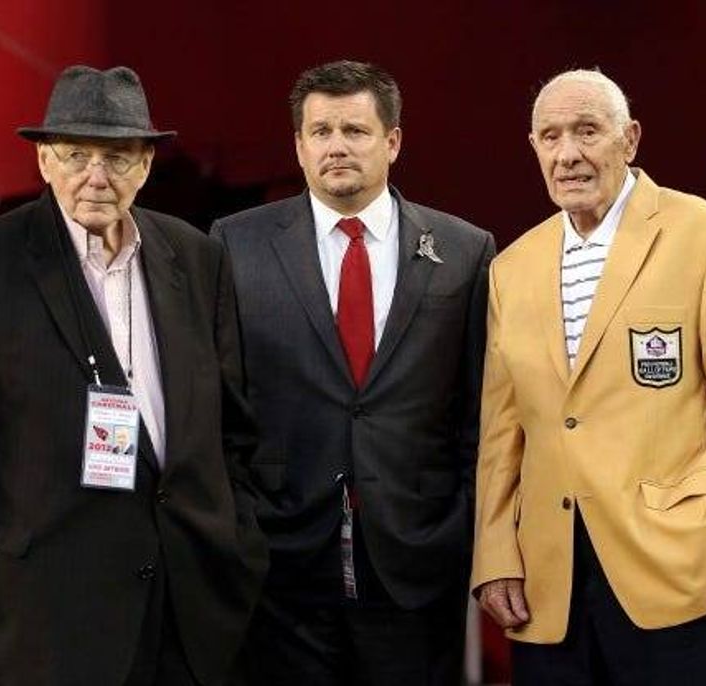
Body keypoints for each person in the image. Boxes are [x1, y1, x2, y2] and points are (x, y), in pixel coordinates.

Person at [0, 65, 267, 686]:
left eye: (118, 156)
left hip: (189, 602)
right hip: (43, 608)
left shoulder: (197, 257)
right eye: (76, 154)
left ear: (146, 164)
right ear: (44, 160)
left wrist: (240, 542)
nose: (97, 176)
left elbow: (232, 421)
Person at [472, 69, 706, 686]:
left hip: (677, 570)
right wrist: (494, 554)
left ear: (631, 139)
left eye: (588, 131)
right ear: (533, 146)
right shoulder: (512, 266)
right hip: (549, 581)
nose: (568, 154)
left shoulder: (704, 236)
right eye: (551, 135)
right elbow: (501, 433)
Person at [212, 60, 495, 684]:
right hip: (280, 564)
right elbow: (220, 404)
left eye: (356, 130)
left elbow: (481, 411)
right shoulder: (235, 244)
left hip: (416, 559)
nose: (336, 146)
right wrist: (244, 523)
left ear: (392, 141)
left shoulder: (465, 250)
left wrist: (462, 526)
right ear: (298, 145)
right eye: (320, 132)